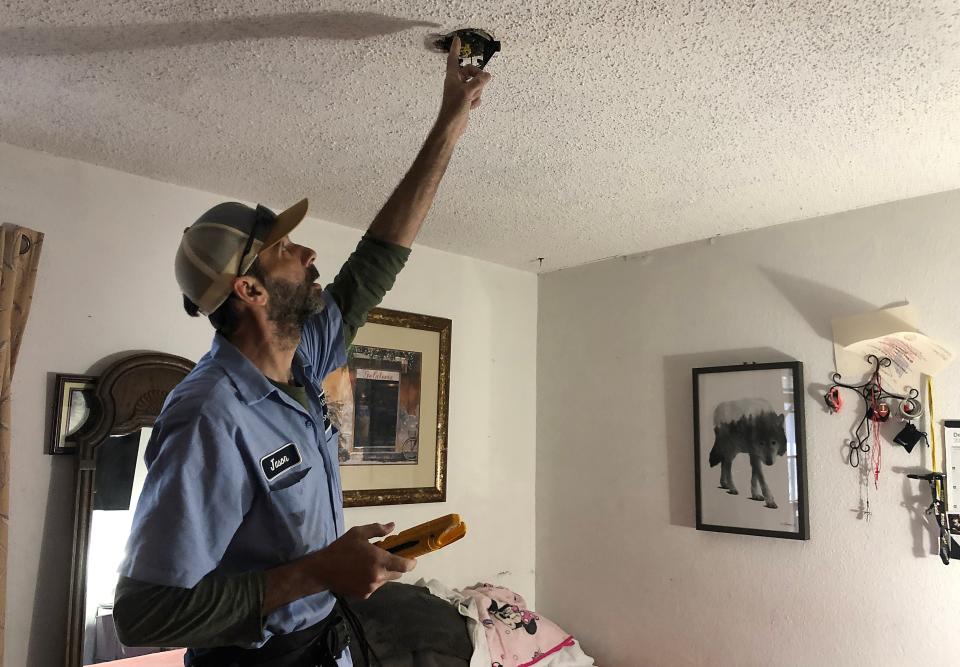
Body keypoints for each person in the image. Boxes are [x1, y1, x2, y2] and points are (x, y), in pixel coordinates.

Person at [112, 38, 491, 667]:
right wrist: (319, 570)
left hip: (322, 639)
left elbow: (376, 261)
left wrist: (450, 121)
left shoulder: (303, 356)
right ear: (251, 290)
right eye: (287, 247)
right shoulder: (211, 415)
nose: (309, 255)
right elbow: (145, 613)